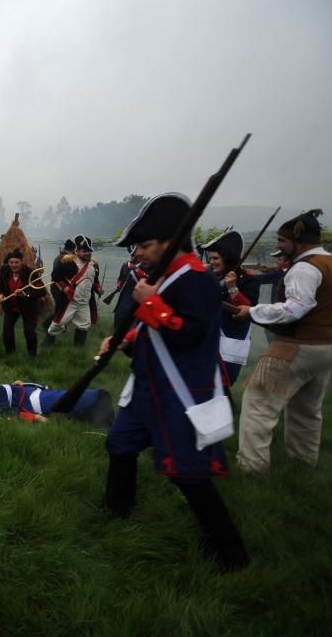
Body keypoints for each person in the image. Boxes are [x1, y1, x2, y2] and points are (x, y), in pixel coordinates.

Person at [101, 192, 249, 572]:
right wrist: (127, 339)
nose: (139, 254)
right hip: (148, 386)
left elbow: (192, 334)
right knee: (120, 443)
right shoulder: (167, 277)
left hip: (180, 393)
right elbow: (158, 333)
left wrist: (150, 303)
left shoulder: (197, 280)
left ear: (169, 241)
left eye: (146, 245)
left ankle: (230, 556)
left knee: (189, 473)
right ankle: (116, 512)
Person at [232, 209, 332, 475]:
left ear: (299, 241)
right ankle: (302, 467)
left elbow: (295, 308)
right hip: (329, 346)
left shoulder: (304, 267)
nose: (278, 246)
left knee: (259, 403)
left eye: (282, 241)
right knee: (307, 411)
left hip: (295, 345)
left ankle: (252, 469)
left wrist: (253, 311)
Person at [200, 229, 260, 385]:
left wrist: (233, 288)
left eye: (216, 258)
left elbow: (249, 310)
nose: (212, 262)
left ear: (228, 258)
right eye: (210, 258)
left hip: (232, 339)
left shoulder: (248, 280)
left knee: (223, 384)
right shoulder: (211, 276)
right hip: (207, 338)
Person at [0, 381, 113, 426]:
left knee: (68, 397)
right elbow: (8, 413)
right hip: (35, 401)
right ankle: (99, 409)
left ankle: (97, 417)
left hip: (38, 393)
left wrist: (22, 384)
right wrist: (35, 418)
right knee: (72, 399)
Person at [46, 235, 103, 347]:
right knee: (58, 323)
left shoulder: (94, 265)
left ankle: (78, 349)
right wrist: (65, 288)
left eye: (89, 251)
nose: (87, 253)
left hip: (85, 302)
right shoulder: (68, 262)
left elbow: (94, 280)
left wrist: (98, 288)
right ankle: (47, 344)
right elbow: (55, 275)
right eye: (84, 251)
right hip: (70, 300)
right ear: (77, 251)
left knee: (84, 325)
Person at [0, 249, 47, 357]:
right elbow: (1, 285)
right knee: (7, 330)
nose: (14, 265)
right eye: (11, 262)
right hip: (11, 306)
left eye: (16, 262)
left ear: (21, 262)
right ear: (8, 263)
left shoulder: (31, 273)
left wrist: (25, 293)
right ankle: (10, 353)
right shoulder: (4, 271)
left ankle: (32, 354)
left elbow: (42, 291)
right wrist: (1, 294)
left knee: (29, 332)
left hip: (28, 307)